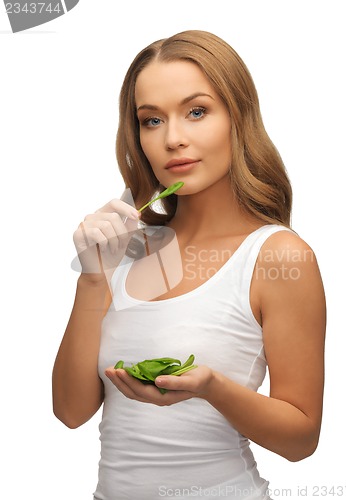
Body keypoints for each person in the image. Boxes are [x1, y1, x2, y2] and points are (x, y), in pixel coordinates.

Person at [52, 30, 326, 500]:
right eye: (151, 120)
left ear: (238, 118)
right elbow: (71, 412)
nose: (173, 139)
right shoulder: (126, 249)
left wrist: (212, 388)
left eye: (196, 111)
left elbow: (301, 440)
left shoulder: (278, 256)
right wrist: (93, 278)